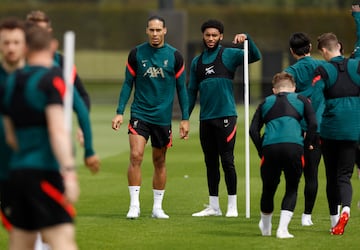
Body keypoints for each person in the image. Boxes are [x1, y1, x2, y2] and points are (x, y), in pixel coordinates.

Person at [0, 24, 79, 250]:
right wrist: (70, 173)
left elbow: (10, 137)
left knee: (20, 242)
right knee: (62, 240)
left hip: (17, 172)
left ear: (25, 48)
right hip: (44, 173)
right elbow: (57, 130)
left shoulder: (10, 82)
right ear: (52, 46)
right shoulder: (51, 79)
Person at [111, 15, 190, 219]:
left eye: (158, 30)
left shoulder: (175, 56)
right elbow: (128, 83)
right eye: (151, 30)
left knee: (159, 161)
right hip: (140, 112)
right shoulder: (136, 53)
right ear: (147, 31)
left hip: (163, 117)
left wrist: (185, 118)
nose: (155, 34)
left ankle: (157, 208)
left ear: (165, 31)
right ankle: (134, 205)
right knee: (136, 155)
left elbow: (182, 89)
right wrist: (120, 111)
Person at [188, 19, 261, 217]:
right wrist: (185, 119)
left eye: (214, 35)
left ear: (221, 36)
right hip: (206, 119)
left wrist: (247, 37)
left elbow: (255, 56)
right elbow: (191, 91)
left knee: (227, 161)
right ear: (203, 36)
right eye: (207, 35)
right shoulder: (197, 62)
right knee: (210, 162)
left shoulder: (229, 54)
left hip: (226, 116)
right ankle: (214, 206)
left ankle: (232, 206)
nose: (210, 38)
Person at [249, 72, 317, 238]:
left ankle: (265, 226)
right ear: (293, 88)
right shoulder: (301, 99)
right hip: (294, 147)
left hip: (270, 147)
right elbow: (313, 124)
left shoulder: (265, 101)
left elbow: (253, 130)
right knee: (292, 187)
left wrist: (261, 149)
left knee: (268, 189)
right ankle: (282, 229)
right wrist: (308, 143)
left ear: (274, 90)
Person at [311, 31, 360, 235]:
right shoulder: (356, 66)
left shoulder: (323, 70)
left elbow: (314, 102)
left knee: (331, 176)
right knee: (345, 176)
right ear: (339, 46)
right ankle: (347, 209)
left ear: (323, 51)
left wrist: (312, 131)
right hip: (353, 130)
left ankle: (334, 222)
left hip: (331, 131)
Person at [283, 32, 325, 226]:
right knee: (313, 174)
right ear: (310, 48)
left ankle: (287, 214)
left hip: (298, 129)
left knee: (293, 174)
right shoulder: (324, 66)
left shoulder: (290, 72)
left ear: (292, 51)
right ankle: (307, 215)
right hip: (323, 126)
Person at [0, 17, 26, 233]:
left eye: (16, 42)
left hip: (32, 167)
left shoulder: (39, 77)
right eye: (6, 42)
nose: (11, 48)